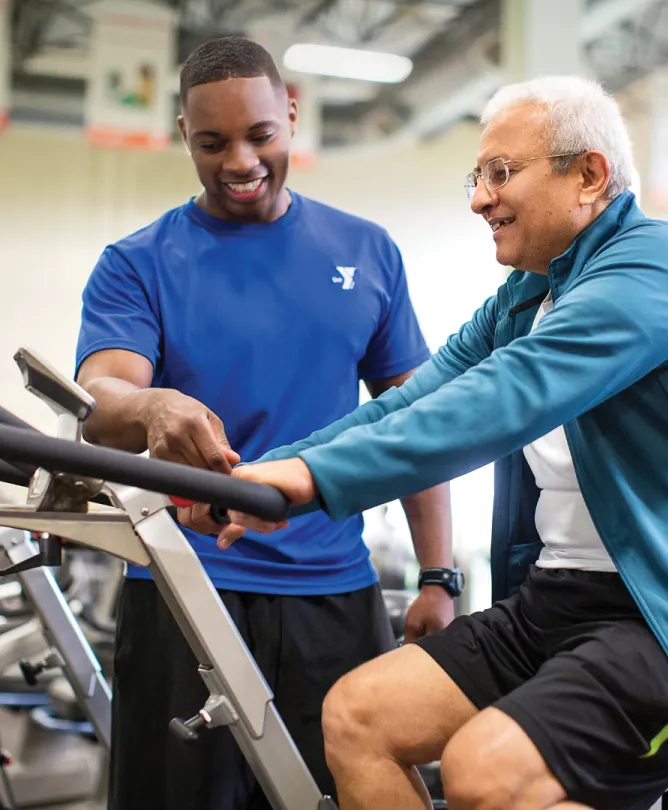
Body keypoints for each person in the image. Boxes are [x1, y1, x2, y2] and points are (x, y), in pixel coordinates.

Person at [218, 75, 668, 810]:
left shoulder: (660, 267)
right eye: (478, 176)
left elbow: (502, 399)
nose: (479, 199)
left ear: (588, 175)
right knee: (358, 718)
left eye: (502, 174)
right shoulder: (528, 296)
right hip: (562, 600)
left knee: (486, 771)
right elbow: (414, 400)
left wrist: (314, 480)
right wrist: (271, 472)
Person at [74, 36, 456, 810]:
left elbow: (415, 425)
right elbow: (101, 400)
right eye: (212, 143)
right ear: (185, 136)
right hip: (186, 591)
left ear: (291, 113)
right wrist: (151, 404)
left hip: (334, 597)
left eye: (260, 136)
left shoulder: (366, 252)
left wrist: (438, 575)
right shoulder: (138, 262)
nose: (240, 162)